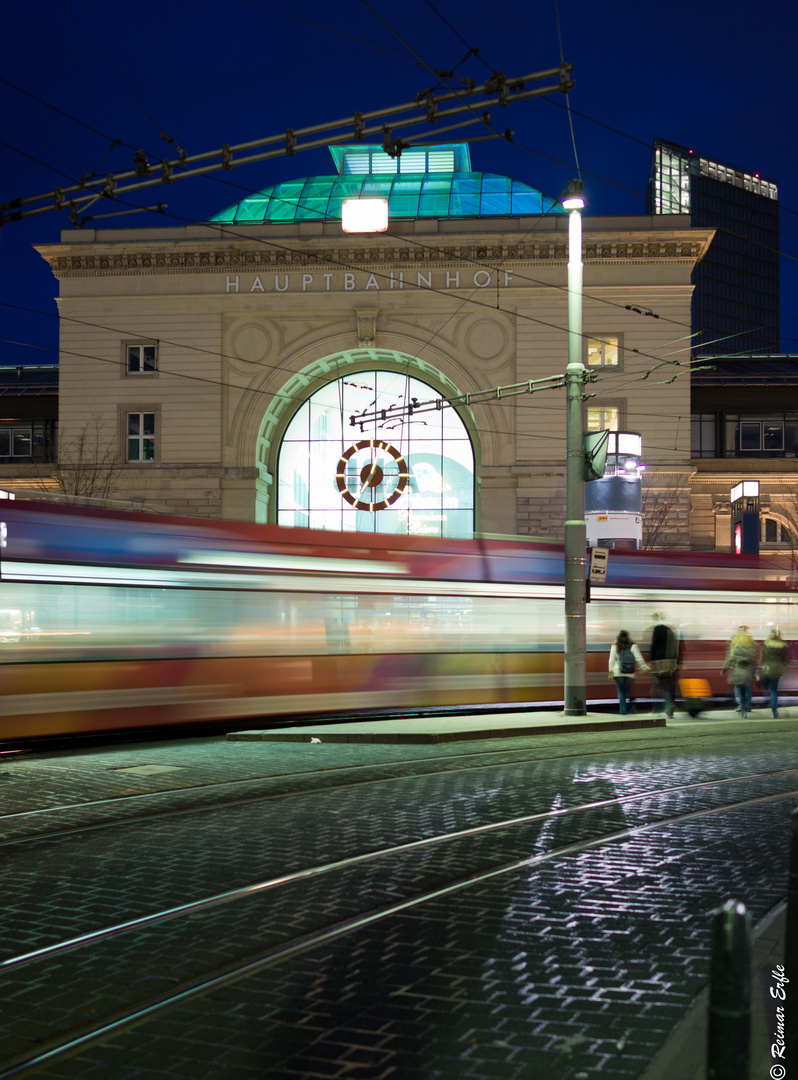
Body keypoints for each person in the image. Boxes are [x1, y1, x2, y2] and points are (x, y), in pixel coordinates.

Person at [609, 630, 649, 716]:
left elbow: (611, 660)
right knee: (627, 690)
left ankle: (623, 711)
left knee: (621, 691)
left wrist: (610, 671)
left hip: (618, 672)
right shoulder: (633, 646)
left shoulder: (615, 646)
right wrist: (644, 668)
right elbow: (639, 658)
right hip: (629, 673)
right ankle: (631, 704)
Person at [649, 613, 680, 719]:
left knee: (659, 684)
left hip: (660, 662)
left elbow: (654, 645)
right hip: (671, 662)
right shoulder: (671, 630)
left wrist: (651, 660)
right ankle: (668, 708)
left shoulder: (657, 629)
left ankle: (665, 705)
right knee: (668, 684)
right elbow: (676, 647)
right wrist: (677, 661)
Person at [721, 625, 756, 717]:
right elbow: (753, 657)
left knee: (738, 688)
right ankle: (747, 705)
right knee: (747, 688)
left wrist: (724, 668)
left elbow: (730, 657)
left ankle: (741, 706)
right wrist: (755, 670)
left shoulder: (734, 641)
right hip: (747, 669)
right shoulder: (749, 642)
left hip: (737, 668)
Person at [757, 628, 790, 718]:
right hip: (778, 670)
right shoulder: (783, 646)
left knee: (769, 688)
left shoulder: (765, 645)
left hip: (768, 669)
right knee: (774, 690)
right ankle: (774, 712)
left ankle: (770, 703)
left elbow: (761, 659)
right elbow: (786, 660)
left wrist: (761, 667)